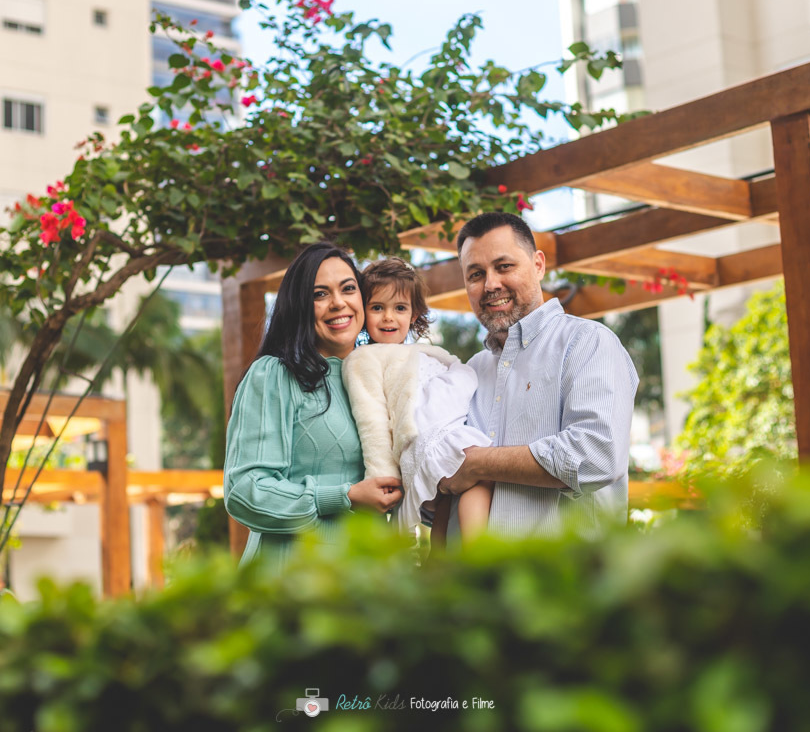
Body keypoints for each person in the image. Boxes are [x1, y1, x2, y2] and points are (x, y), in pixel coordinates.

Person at [437, 212, 638, 537]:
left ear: (539, 265)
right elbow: (444, 482)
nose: (490, 284)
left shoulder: (587, 342)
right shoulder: (469, 372)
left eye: (504, 266)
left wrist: (477, 464)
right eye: (476, 274)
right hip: (471, 569)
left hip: (564, 568)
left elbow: (596, 455)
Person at [223, 242, 403, 569]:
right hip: (290, 575)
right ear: (299, 307)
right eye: (320, 294)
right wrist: (343, 496)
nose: (338, 303)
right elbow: (245, 491)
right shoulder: (274, 375)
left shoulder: (382, 379)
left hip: (367, 577)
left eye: (348, 289)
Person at [341, 258, 494, 540]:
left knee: (449, 499)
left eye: (399, 308)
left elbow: (459, 371)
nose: (389, 317)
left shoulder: (421, 352)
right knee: (479, 475)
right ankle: (479, 554)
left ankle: (441, 558)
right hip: (423, 439)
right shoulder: (363, 358)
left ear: (414, 315)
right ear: (362, 312)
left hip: (443, 431)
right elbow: (372, 420)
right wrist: (381, 477)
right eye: (377, 308)